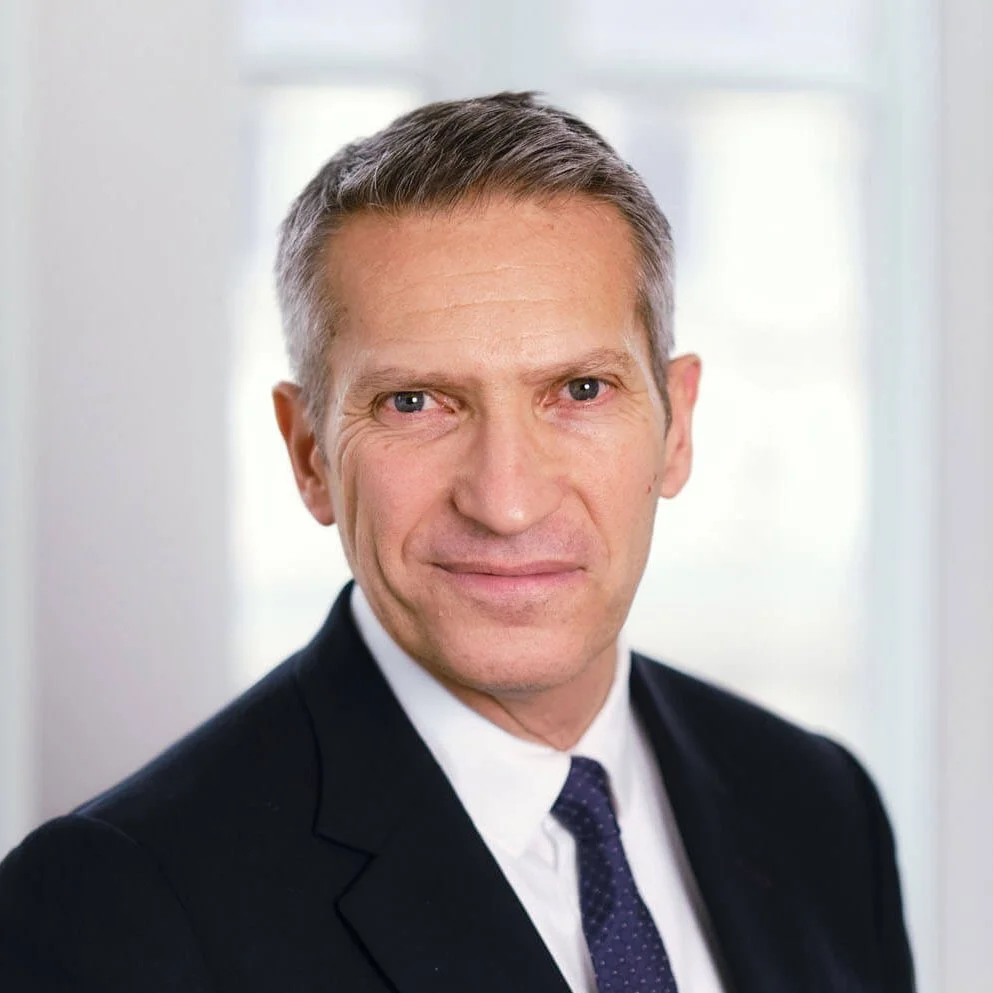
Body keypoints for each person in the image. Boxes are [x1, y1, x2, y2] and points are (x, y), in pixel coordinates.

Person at [0, 92, 914, 993]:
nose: (505, 502)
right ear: (310, 453)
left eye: (580, 390)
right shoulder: (119, 905)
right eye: (414, 403)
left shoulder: (817, 804)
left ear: (676, 427)